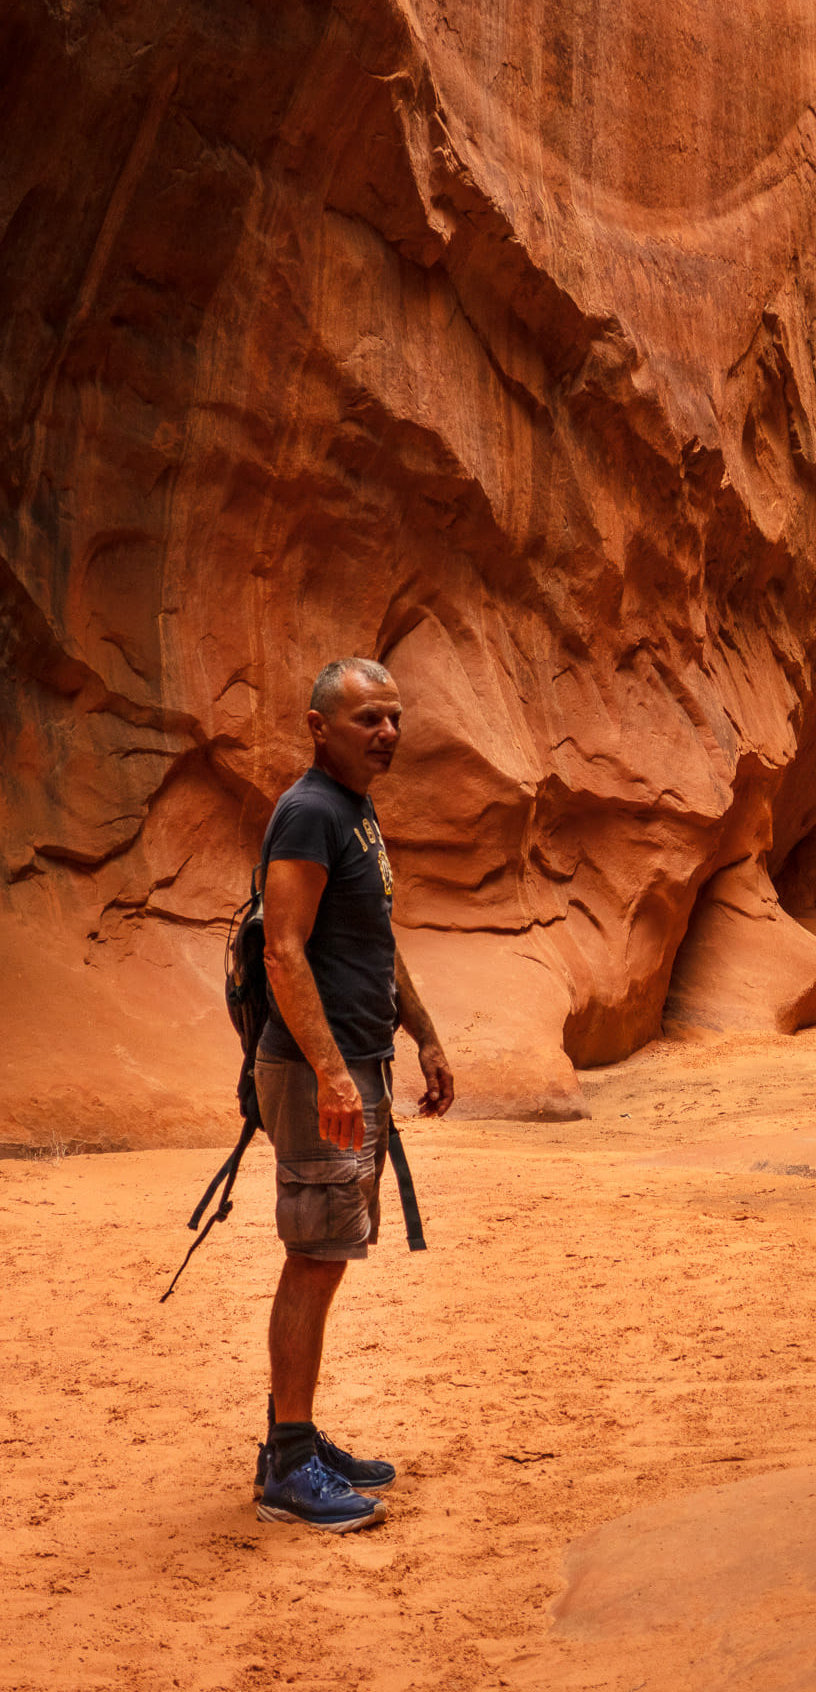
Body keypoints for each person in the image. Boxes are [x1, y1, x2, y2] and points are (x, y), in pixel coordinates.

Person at [251, 656, 454, 1533]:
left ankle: (295, 1439)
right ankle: (287, 1465)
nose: (387, 733)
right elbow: (282, 949)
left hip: (355, 1061)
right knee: (314, 1254)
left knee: (329, 1252)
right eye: (368, 718)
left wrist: (425, 1032)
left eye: (394, 717)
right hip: (313, 1074)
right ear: (318, 726)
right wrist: (333, 1072)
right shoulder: (307, 813)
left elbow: (373, 939)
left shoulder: (355, 813)